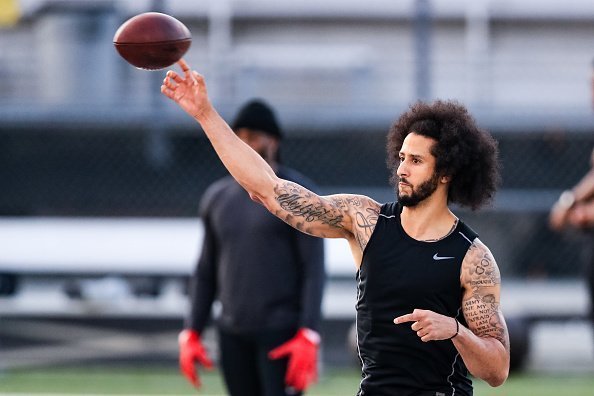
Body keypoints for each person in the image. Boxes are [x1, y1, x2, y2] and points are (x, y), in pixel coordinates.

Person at [163, 59, 510, 396]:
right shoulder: (365, 221)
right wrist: (205, 114)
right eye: (402, 157)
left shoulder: (472, 258)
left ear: (446, 172)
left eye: (416, 161)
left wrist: (455, 331)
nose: (402, 169)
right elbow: (268, 188)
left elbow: (497, 370)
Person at [177, 99, 326, 396]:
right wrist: (191, 329)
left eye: (254, 136)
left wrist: (309, 332)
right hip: (232, 330)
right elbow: (206, 269)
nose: (246, 143)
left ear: (274, 140)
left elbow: (313, 269)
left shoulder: (297, 196)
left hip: (282, 332)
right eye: (240, 136)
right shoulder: (217, 197)